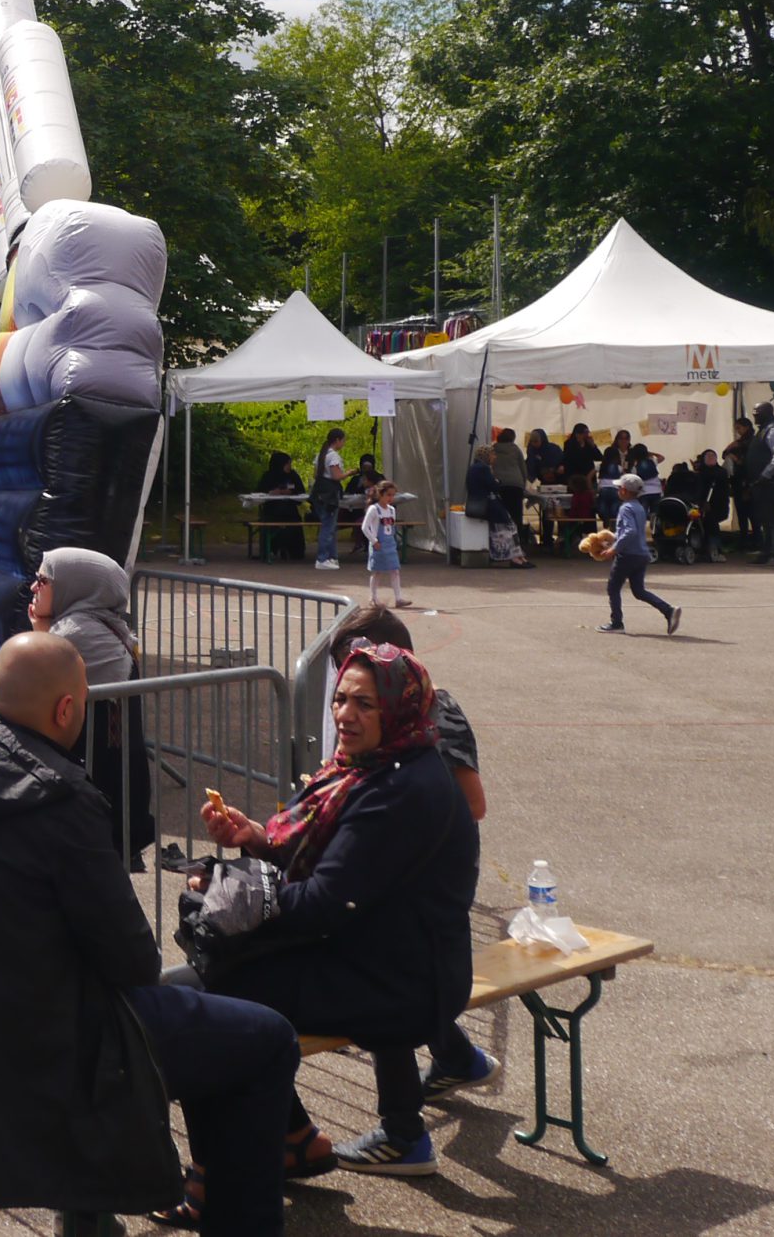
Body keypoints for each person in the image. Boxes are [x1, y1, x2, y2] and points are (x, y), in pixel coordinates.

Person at [0, 633, 302, 1237]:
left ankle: (92, 1216)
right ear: (67, 711)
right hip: (61, 1046)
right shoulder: (62, 799)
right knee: (267, 1040)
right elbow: (132, 961)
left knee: (194, 1010)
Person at [193, 642, 480, 1175]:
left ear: (397, 708)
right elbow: (337, 869)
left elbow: (326, 902)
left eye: (364, 704)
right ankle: (386, 1132)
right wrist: (256, 841)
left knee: (227, 985)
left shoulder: (396, 790)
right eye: (341, 700)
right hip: (402, 957)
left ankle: (292, 1139)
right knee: (239, 953)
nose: (345, 715)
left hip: (406, 983)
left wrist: (231, 888)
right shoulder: (385, 766)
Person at [325, 606, 495, 1099]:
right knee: (393, 963)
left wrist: (394, 822)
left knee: (378, 960)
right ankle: (457, 1057)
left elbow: (473, 804)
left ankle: (401, 1130)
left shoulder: (437, 711)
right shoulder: (381, 719)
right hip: (403, 867)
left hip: (429, 873)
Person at [31, 548, 154, 861]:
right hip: (113, 781)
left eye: (43, 580)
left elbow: (35, 681)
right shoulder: (101, 622)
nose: (34, 587)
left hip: (99, 787)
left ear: (76, 587)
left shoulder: (77, 631)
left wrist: (40, 632)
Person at [592, 473, 681, 635]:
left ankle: (616, 623)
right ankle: (668, 610)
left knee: (613, 587)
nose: (618, 490)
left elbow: (630, 531)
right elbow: (631, 531)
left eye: (620, 488)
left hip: (628, 555)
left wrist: (614, 549)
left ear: (625, 491)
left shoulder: (625, 508)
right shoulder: (639, 507)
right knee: (639, 591)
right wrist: (613, 539)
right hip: (641, 554)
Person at [747, 401, 774, 565]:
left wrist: (766, 474)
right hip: (762, 483)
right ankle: (766, 552)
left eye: (757, 414)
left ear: (766, 413)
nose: (755, 418)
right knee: (765, 518)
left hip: (773, 482)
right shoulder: (763, 430)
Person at [256, 453, 305, 563]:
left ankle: (294, 551)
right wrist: (271, 493)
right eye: (287, 464)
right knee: (271, 522)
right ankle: (271, 549)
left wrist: (289, 492)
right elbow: (260, 492)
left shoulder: (293, 475)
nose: (289, 466)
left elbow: (301, 491)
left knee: (294, 523)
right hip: (272, 510)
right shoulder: (268, 476)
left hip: (290, 510)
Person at [363, 479, 405, 609]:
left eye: (393, 495)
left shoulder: (392, 510)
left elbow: (391, 527)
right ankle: (373, 597)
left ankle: (398, 598)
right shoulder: (374, 509)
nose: (391, 498)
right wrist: (374, 541)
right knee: (377, 572)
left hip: (390, 544)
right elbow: (365, 527)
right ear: (380, 494)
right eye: (388, 495)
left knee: (395, 571)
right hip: (378, 544)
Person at [310, 429, 347, 572]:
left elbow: (315, 474)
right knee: (328, 526)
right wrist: (348, 473)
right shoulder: (333, 457)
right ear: (337, 440)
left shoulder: (321, 455)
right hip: (329, 494)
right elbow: (336, 476)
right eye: (343, 440)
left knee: (329, 525)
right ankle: (322, 558)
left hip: (319, 492)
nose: (343, 443)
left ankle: (332, 557)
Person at [488, 429, 529, 553]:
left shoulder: (493, 449)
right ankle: (518, 546)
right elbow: (523, 468)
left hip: (500, 485)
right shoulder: (515, 449)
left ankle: (502, 545)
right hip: (516, 485)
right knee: (516, 516)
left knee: (502, 516)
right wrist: (523, 484)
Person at [723, 416, 756, 549]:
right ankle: (745, 540)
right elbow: (724, 453)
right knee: (742, 513)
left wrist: (734, 458)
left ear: (746, 427)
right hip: (739, 481)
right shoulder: (741, 442)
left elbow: (746, 462)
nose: (737, 431)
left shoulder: (750, 442)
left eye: (739, 428)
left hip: (746, 481)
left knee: (750, 513)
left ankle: (754, 540)